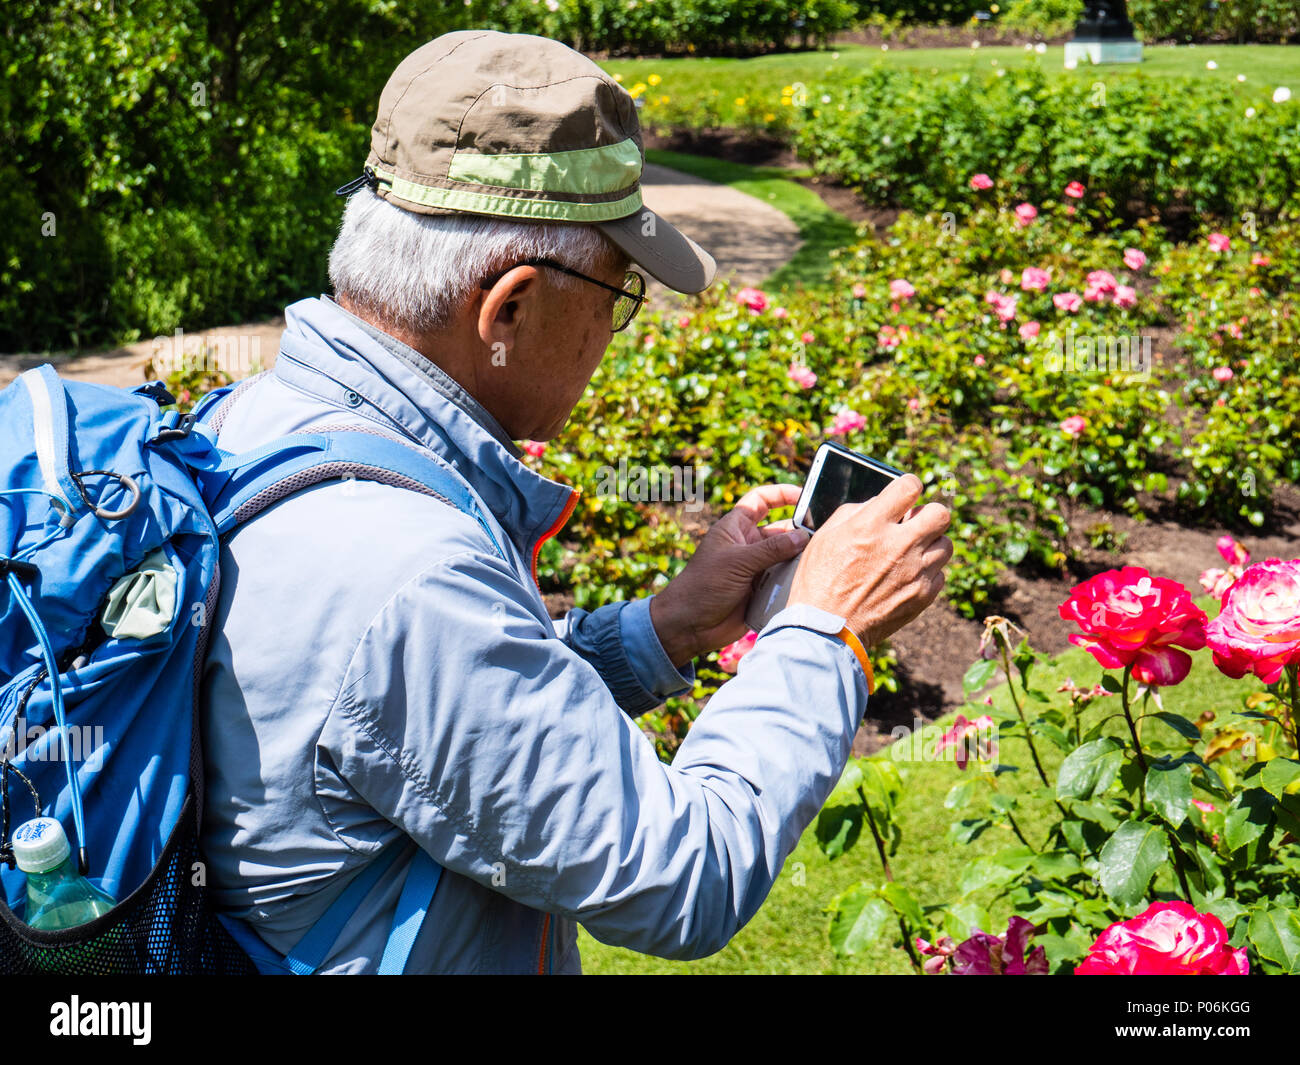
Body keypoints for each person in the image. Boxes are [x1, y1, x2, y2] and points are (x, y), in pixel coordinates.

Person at [200, 29, 952, 974]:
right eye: (619, 287)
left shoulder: (253, 424)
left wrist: (666, 627)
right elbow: (684, 878)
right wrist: (823, 631)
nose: (614, 326)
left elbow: (432, 728)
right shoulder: (408, 574)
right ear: (508, 308)